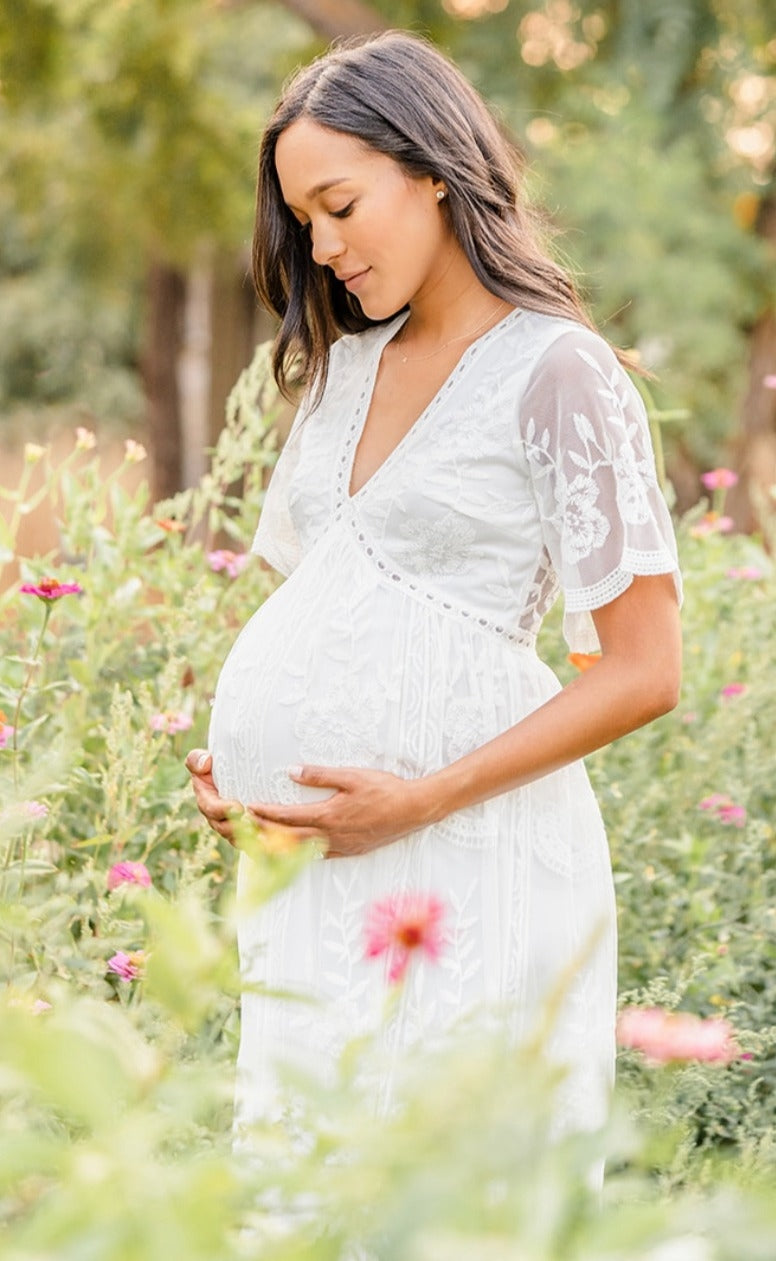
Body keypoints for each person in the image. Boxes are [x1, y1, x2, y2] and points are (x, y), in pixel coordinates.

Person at [186, 30, 682, 1143]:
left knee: (448, 1199)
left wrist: (417, 798)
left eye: (341, 206)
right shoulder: (338, 370)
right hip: (318, 880)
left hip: (470, 863)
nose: (319, 248)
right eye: (302, 221)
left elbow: (649, 673)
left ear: (433, 170)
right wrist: (238, 767)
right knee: (308, 1186)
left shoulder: (559, 372)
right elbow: (313, 604)